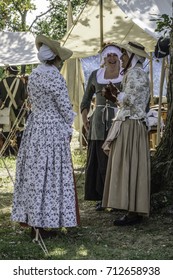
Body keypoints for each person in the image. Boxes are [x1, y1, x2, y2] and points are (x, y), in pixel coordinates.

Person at [11, 34, 79, 238]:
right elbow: (64, 106)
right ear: (55, 58)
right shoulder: (54, 76)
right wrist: (70, 124)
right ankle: (45, 222)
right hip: (52, 129)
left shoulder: (34, 75)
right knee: (51, 174)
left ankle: (35, 223)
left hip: (35, 127)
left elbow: (33, 101)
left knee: (36, 174)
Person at [102, 41, 151, 225]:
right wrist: (115, 96)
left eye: (124, 54)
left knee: (130, 165)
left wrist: (117, 94)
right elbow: (128, 101)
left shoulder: (136, 73)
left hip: (132, 124)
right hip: (129, 122)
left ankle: (132, 210)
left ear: (132, 56)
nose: (121, 58)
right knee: (128, 165)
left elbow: (131, 100)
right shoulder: (132, 73)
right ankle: (129, 206)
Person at [80, 43, 123, 210]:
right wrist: (85, 120)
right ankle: (103, 197)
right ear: (104, 59)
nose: (111, 59)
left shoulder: (124, 74)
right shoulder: (95, 75)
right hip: (98, 122)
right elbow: (85, 101)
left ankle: (118, 197)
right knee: (101, 161)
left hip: (117, 120)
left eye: (114, 55)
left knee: (117, 159)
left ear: (119, 57)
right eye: (108, 56)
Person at [0, 66, 27, 154]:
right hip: (18, 109)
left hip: (6, 109)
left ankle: (6, 152)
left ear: (8, 71)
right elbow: (24, 96)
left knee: (6, 130)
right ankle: (17, 151)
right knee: (19, 129)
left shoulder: (2, 81)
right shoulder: (20, 82)